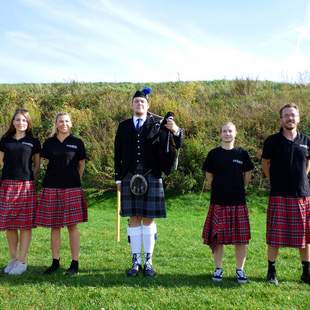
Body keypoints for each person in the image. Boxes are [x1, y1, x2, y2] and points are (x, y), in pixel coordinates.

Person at [114, 87, 183, 277]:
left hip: (151, 175)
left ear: (148, 105)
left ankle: (149, 262)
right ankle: (135, 262)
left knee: (148, 218)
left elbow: (177, 141)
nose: (139, 104)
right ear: (132, 104)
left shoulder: (157, 124)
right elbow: (117, 154)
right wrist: (118, 178)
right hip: (129, 175)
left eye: (142, 102)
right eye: (136, 101)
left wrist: (175, 129)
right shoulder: (124, 126)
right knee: (134, 218)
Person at [262, 103, 310, 285]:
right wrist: (273, 180)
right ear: (281, 119)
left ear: (298, 118)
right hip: (279, 195)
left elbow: (308, 164)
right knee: (275, 237)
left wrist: (301, 179)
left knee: (305, 237)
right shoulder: (272, 141)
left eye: (293, 115)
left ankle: (306, 272)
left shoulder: (307, 140)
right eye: (287, 115)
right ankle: (271, 271)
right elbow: (265, 163)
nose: (290, 118)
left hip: (302, 195)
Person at [36, 112, 87, 275]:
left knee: (72, 226)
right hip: (51, 186)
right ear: (56, 124)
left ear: (71, 124)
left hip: (72, 187)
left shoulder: (77, 142)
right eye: (60, 121)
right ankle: (55, 262)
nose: (63, 123)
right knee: (55, 227)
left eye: (66, 121)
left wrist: (74, 180)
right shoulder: (49, 143)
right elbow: (43, 162)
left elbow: (81, 164)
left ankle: (74, 263)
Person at [202, 122, 254, 283]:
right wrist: (217, 188)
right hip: (218, 201)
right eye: (224, 131)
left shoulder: (242, 154)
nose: (227, 134)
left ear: (235, 133)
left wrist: (242, 187)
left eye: (230, 131)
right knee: (217, 238)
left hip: (238, 201)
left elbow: (248, 173)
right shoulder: (213, 154)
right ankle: (218, 269)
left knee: (241, 239)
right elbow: (209, 176)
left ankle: (240, 270)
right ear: (220, 134)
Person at [0, 108, 40, 275]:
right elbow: (1, 162)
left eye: (24, 120)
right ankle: (14, 259)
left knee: (25, 225)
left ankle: (22, 261)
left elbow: (37, 166)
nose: (20, 123)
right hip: (7, 184)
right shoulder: (5, 140)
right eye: (17, 119)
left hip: (26, 185)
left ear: (28, 122)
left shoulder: (34, 141)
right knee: (9, 225)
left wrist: (30, 180)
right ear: (13, 122)